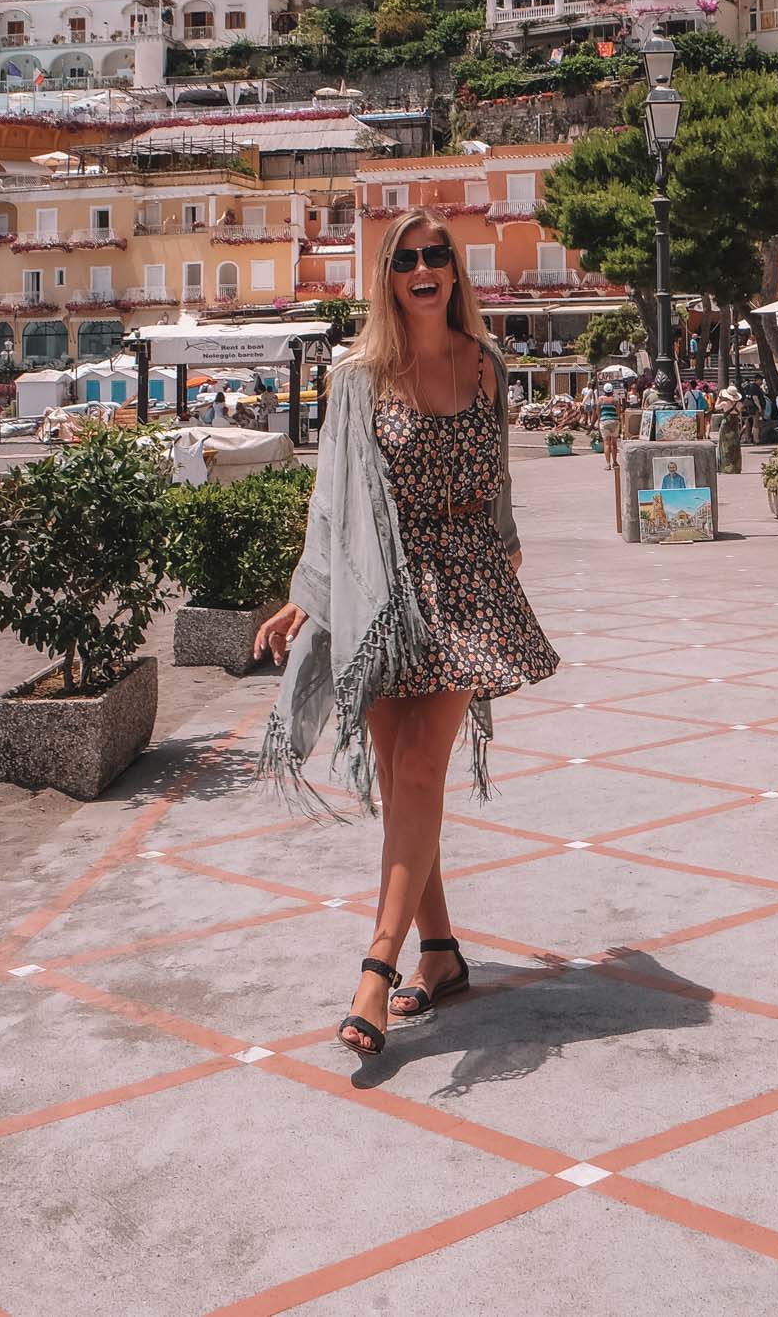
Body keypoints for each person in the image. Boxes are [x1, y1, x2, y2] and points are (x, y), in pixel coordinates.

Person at [255, 209, 558, 1059]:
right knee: (399, 773)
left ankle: (376, 971)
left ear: (455, 272)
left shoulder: (488, 366)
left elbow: (497, 476)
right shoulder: (358, 375)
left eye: (437, 256)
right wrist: (306, 598)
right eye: (406, 260)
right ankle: (443, 952)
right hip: (383, 587)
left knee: (423, 762)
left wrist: (505, 549)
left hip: (464, 578)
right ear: (389, 279)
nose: (424, 269)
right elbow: (334, 497)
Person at [715, 384, 744, 474]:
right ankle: (735, 467)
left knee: (724, 446)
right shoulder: (739, 404)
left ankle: (725, 467)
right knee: (735, 445)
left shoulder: (725, 403)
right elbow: (740, 415)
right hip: (734, 424)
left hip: (726, 424)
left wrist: (719, 397)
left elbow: (716, 407)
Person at [597, 381, 621, 469]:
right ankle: (615, 462)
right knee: (614, 443)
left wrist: (600, 420)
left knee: (606, 443)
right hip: (614, 421)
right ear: (612, 391)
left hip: (604, 421)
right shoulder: (615, 400)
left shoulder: (600, 399)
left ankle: (608, 464)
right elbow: (618, 412)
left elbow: (598, 412)